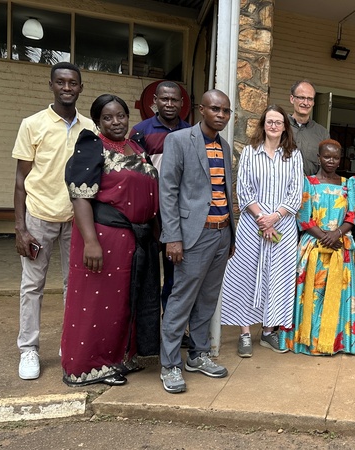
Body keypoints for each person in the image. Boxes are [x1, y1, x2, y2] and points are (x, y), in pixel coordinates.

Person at [62, 94, 161, 386]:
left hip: (136, 239)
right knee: (98, 303)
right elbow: (80, 196)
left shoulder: (135, 147)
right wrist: (91, 242)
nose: (116, 122)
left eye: (120, 116)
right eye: (108, 117)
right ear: (97, 122)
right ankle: (88, 367)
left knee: (125, 302)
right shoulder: (92, 146)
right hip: (105, 237)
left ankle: (119, 359)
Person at [12, 62, 94, 380]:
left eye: (73, 82)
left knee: (74, 285)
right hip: (39, 217)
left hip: (75, 219)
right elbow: (20, 180)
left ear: (80, 88)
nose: (67, 87)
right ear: (51, 85)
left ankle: (68, 342)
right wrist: (20, 229)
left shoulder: (89, 128)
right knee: (32, 285)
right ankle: (28, 349)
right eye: (60, 82)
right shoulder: (32, 124)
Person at [158, 89, 235, 394]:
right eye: (215, 109)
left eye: (226, 111)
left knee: (207, 299)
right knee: (181, 299)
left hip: (221, 233)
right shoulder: (179, 140)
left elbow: (225, 192)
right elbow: (168, 191)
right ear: (202, 110)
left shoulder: (225, 147)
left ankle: (198, 354)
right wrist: (173, 237)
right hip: (192, 235)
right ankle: (170, 364)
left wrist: (229, 236)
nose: (221, 115)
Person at [220, 105, 304, 357]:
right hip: (252, 224)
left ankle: (268, 331)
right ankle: (245, 333)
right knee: (246, 274)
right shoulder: (249, 153)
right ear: (263, 124)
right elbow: (243, 189)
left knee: (278, 277)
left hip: (283, 226)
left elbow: (295, 192)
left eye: (279, 122)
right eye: (270, 121)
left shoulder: (294, 155)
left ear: (285, 127)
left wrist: (275, 217)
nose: (274, 126)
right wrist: (262, 218)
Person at [280, 139, 355, 355]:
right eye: (327, 156)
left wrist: (336, 234)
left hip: (339, 245)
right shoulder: (308, 182)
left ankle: (334, 343)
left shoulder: (348, 184)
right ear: (319, 157)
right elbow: (303, 218)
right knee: (312, 294)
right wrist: (324, 236)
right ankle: (308, 342)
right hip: (313, 246)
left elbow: (353, 217)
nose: (331, 161)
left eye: (335, 157)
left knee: (336, 293)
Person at [129, 81, 192, 335]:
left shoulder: (191, 132)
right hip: (146, 215)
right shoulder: (140, 131)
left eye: (174, 100)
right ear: (154, 100)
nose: (169, 104)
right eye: (164, 99)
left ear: (181, 103)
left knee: (175, 276)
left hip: (177, 218)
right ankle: (143, 332)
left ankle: (172, 328)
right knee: (144, 274)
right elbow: (133, 175)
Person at [288, 80, 330, 176]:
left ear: (313, 102)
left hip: (310, 188)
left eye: (310, 99)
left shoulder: (322, 133)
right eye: (301, 97)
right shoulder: (280, 127)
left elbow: (326, 167)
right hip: (281, 188)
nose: (306, 103)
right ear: (292, 99)